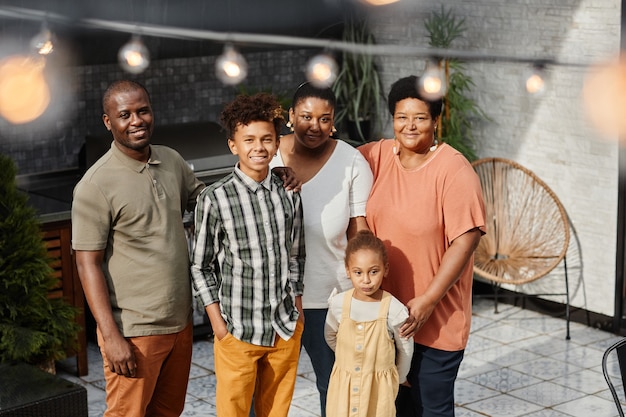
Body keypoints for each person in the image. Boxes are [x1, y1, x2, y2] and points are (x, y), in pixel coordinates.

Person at [72, 80, 205, 417]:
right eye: (125, 114)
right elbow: (87, 265)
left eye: (142, 110)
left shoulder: (172, 161)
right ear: (108, 122)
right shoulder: (95, 184)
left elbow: (211, 203)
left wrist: (264, 175)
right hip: (134, 332)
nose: (136, 120)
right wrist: (111, 337)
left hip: (180, 323)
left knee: (167, 413)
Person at [358, 75, 486, 417]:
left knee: (433, 409)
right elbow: (331, 158)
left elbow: (467, 239)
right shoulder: (378, 155)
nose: (409, 126)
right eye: (402, 117)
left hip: (436, 320)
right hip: (389, 317)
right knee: (398, 407)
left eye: (420, 118)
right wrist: (285, 168)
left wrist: (428, 300)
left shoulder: (453, 170)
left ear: (435, 120)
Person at [191, 93, 305, 417]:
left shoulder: (290, 192)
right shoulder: (215, 199)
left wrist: (296, 307)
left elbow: (296, 254)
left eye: (267, 139)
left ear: (277, 143)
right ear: (233, 145)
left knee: (275, 412)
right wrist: (218, 325)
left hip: (284, 327)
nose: (259, 147)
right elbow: (201, 266)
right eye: (249, 139)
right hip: (238, 330)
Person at [269, 82, 373, 416]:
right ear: (290, 117)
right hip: (271, 298)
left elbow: (360, 229)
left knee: (333, 387)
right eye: (306, 116)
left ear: (334, 121)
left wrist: (365, 291)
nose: (315, 126)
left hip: (328, 298)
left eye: (324, 119)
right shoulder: (266, 155)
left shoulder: (351, 162)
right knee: (265, 389)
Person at [324, 230, 414, 417]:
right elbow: (331, 335)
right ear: (348, 271)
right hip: (343, 389)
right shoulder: (339, 304)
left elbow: (405, 347)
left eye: (374, 272)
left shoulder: (393, 309)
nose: (366, 280)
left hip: (379, 391)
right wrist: (349, 359)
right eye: (358, 272)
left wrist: (399, 376)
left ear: (385, 269)